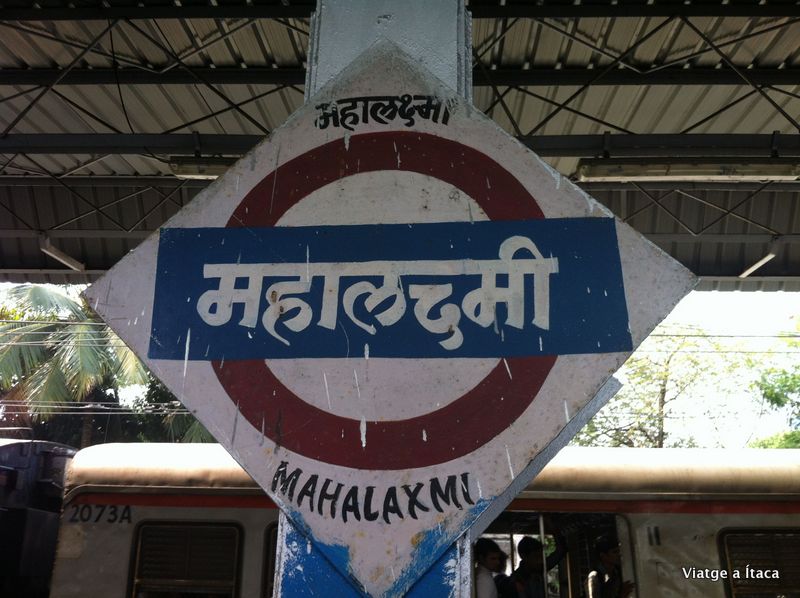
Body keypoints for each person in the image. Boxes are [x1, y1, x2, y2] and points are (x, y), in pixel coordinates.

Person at [511, 531, 567, 598]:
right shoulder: (516, 580)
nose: (540, 561)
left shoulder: (539, 568)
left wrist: (554, 530)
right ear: (524, 556)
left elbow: (560, 552)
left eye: (541, 557)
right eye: (536, 557)